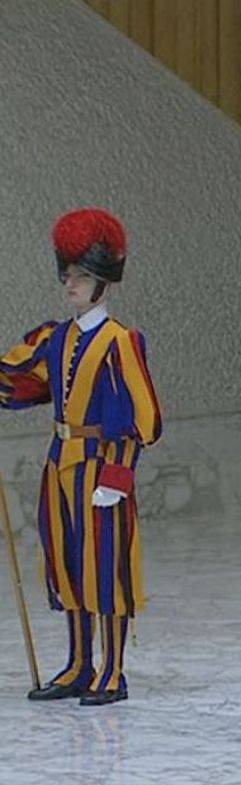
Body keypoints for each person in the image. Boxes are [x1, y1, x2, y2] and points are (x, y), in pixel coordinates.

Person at [0, 209, 162, 705]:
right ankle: (78, 664)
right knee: (68, 566)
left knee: (105, 568)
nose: (70, 284)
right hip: (60, 466)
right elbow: (20, 379)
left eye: (81, 276)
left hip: (100, 467)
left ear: (103, 283)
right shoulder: (56, 337)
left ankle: (111, 670)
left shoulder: (120, 342)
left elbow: (145, 419)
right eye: (67, 274)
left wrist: (118, 476)